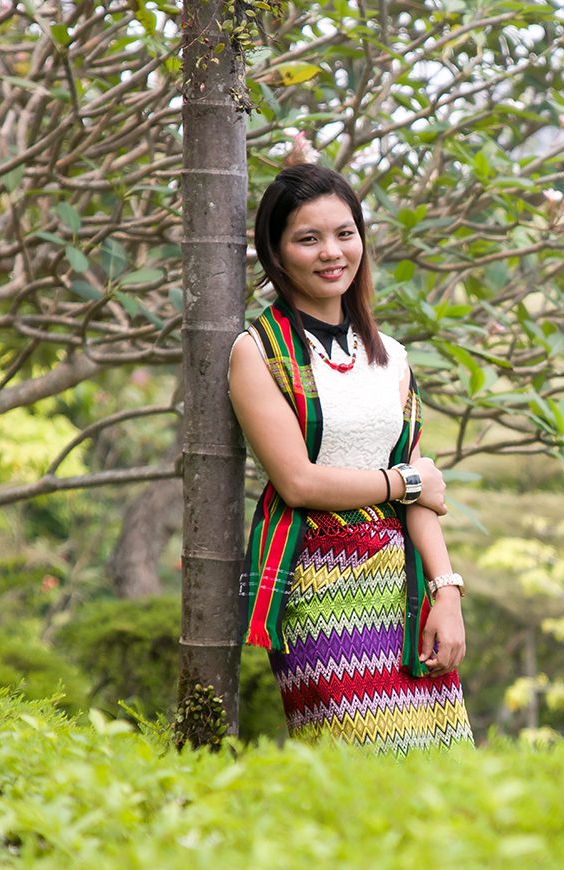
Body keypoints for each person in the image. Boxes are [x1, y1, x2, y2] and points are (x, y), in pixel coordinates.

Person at [228, 163, 474, 753]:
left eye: (345, 233)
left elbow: (425, 493)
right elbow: (298, 482)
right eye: (308, 239)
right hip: (316, 585)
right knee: (358, 765)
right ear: (277, 252)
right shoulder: (256, 351)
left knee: (443, 766)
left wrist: (446, 592)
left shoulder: (390, 354)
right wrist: (401, 482)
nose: (331, 252)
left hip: (402, 585)